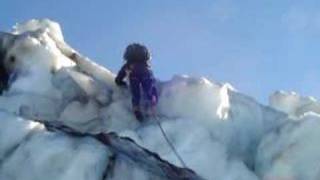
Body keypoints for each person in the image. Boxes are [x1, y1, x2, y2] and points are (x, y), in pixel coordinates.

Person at [115, 43, 158, 121]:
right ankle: (151, 105)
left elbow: (120, 75)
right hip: (145, 74)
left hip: (133, 76)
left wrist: (119, 81)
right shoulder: (146, 66)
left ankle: (136, 109)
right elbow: (151, 82)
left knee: (135, 93)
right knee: (149, 89)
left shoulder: (129, 64)